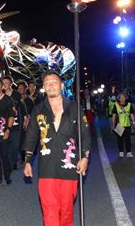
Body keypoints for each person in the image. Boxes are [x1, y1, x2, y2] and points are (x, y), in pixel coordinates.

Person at [23, 70, 91, 226]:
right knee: (49, 210)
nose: (50, 85)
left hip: (70, 167)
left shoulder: (74, 108)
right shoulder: (38, 110)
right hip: (47, 167)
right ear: (44, 88)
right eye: (47, 83)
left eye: (53, 82)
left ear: (61, 85)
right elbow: (31, 136)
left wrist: (85, 157)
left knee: (66, 210)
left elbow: (85, 134)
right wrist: (27, 161)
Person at [2, 75, 27, 170]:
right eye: (3, 83)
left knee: (15, 144)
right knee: (6, 143)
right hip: (4, 123)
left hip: (16, 123)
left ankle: (14, 161)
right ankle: (9, 162)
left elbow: (23, 107)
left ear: (11, 84)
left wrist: (25, 119)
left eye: (6, 82)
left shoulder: (16, 94)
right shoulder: (0, 94)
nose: (4, 84)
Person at [112, 93, 135, 158]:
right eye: (121, 97)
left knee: (128, 139)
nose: (122, 99)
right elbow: (114, 116)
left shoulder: (129, 105)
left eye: (123, 97)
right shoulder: (116, 105)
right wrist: (113, 125)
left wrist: (134, 123)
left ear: (125, 98)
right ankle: (121, 152)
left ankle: (129, 152)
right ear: (119, 99)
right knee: (120, 139)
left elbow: (131, 115)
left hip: (127, 125)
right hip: (119, 125)